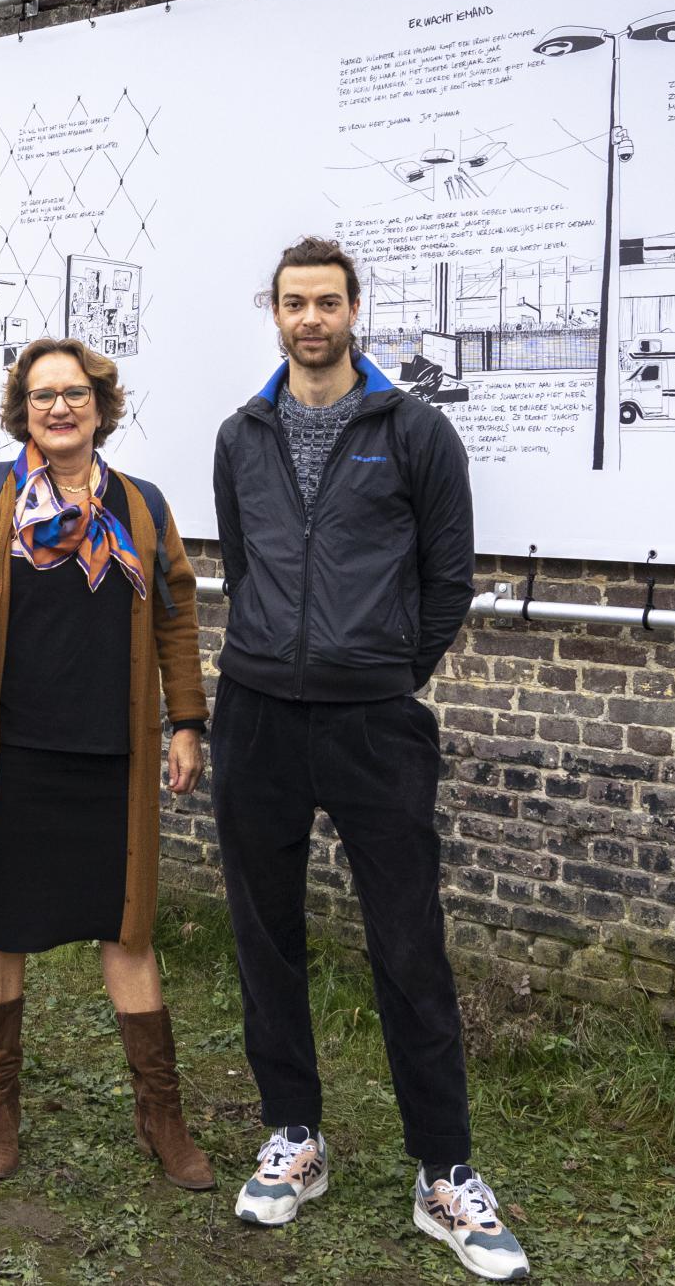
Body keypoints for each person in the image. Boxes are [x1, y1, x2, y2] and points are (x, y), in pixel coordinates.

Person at [211, 236, 528, 1279]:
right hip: (256, 712)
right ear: (274, 313)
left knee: (406, 943)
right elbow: (246, 560)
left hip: (371, 721)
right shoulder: (240, 434)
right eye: (293, 303)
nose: (310, 320)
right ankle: (294, 1135)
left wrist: (384, 671)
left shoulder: (416, 432)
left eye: (327, 303)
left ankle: (444, 1171)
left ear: (355, 311)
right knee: (265, 934)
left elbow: (446, 580)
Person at [0, 337, 213, 1189]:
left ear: (100, 404)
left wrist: (186, 722)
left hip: (109, 757)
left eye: (75, 393)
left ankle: (162, 1115)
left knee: (127, 928)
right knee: (2, 926)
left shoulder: (141, 505)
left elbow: (176, 617)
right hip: (10, 754)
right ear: (23, 409)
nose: (60, 407)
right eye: (43, 394)